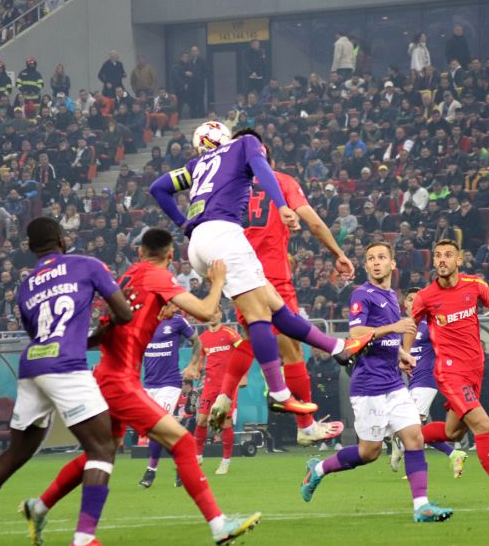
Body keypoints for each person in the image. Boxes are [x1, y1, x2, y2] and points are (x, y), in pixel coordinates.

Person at [19, 228, 261, 545]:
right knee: (183, 443)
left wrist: (160, 312)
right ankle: (219, 526)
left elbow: (124, 322)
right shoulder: (155, 275)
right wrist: (216, 282)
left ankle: (40, 507)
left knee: (100, 454)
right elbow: (206, 311)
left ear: (139, 252)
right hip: (120, 379)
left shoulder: (129, 275)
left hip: (107, 374)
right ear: (171, 255)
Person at [148, 125, 372, 418]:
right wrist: (281, 206)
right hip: (231, 242)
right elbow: (264, 174)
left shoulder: (199, 163)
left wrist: (182, 224)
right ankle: (281, 395)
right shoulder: (247, 146)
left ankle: (339, 347)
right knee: (263, 322)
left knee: (276, 312)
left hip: (200, 244)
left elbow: (157, 188)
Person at [0, 217, 135, 546]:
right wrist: (114, 317)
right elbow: (126, 314)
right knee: (103, 447)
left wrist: (97, 334)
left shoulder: (27, 285)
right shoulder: (87, 264)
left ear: (31, 249)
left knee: (15, 454)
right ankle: (84, 538)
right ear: (62, 239)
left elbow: (45, 338)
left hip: (33, 365)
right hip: (66, 366)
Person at [208, 129, 352, 445]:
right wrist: (338, 254)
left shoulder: (226, 188)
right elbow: (313, 222)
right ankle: (305, 424)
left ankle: (224, 395)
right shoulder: (282, 182)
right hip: (271, 274)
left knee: (255, 338)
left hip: (236, 275)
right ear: (265, 152)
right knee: (291, 346)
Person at [300, 242, 453, 523]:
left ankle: (422, 506)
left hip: (393, 383)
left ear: (393, 264)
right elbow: (357, 332)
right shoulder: (362, 294)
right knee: (369, 453)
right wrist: (394, 328)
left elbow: (386, 339)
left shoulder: (392, 297)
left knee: (414, 437)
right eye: (371, 259)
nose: (376, 262)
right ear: (367, 266)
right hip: (369, 385)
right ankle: (319, 468)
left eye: (382, 257)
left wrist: (401, 354)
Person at [408, 239, 489, 511]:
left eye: (448, 255)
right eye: (438, 256)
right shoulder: (425, 297)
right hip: (450, 372)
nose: (442, 259)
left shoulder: (475, 285)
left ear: (459, 260)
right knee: (483, 425)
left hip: (474, 370)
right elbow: (410, 326)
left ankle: (409, 435)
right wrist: (405, 353)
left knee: (452, 432)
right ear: (433, 262)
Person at [391, 288, 467, 477]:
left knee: (411, 427)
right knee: (414, 428)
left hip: (426, 380)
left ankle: (411, 464)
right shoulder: (404, 327)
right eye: (409, 299)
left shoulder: (429, 325)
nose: (412, 302)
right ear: (405, 303)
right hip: (413, 381)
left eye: (416, 299)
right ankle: (453, 453)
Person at [138, 304, 202, 488]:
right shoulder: (145, 321)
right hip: (149, 384)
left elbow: (197, 341)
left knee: (158, 428)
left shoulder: (177, 321)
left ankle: (151, 470)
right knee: (159, 430)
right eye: (167, 304)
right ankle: (183, 464)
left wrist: (192, 365)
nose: (172, 308)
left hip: (170, 384)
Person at [194, 311, 242, 476]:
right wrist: (195, 370)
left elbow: (244, 352)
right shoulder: (203, 338)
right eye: (210, 313)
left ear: (220, 314)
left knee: (225, 423)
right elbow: (200, 360)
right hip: (209, 385)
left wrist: (243, 377)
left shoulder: (229, 333)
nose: (212, 316)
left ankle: (225, 461)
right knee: (201, 421)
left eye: (215, 312)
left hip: (227, 386)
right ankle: (198, 456)